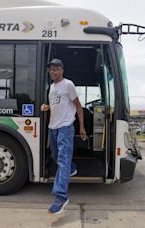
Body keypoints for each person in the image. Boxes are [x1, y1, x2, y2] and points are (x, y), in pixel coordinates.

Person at [41, 58, 86, 214]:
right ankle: (72, 168)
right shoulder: (51, 87)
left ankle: (61, 196)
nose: (53, 71)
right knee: (56, 156)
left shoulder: (68, 84)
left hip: (66, 127)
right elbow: (56, 106)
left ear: (62, 70)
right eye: (51, 69)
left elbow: (78, 106)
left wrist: (81, 126)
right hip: (53, 128)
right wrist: (47, 106)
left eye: (56, 69)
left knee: (62, 160)